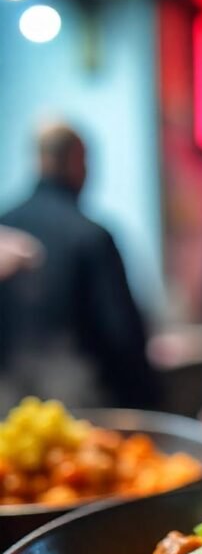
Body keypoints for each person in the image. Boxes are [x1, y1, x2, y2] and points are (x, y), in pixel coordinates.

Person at [0, 123, 159, 411]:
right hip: (78, 404)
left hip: (7, 404)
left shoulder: (4, 224)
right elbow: (120, 333)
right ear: (76, 160)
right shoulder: (90, 235)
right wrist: (146, 401)